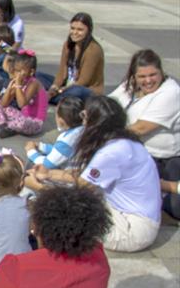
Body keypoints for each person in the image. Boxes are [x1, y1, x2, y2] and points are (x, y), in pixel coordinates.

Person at [28, 96, 161, 252]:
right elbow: (84, 177)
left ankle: (43, 251)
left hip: (131, 231)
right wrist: (49, 174)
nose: (82, 122)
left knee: (54, 207)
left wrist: (37, 186)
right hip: (138, 221)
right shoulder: (124, 142)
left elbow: (79, 193)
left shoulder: (110, 153)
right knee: (60, 190)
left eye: (84, 116)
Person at [110, 49, 180, 220]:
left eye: (153, 75)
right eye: (142, 76)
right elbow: (108, 104)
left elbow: (141, 128)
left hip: (164, 159)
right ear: (134, 76)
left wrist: (104, 134)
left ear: (161, 72)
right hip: (132, 153)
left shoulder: (171, 92)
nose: (148, 81)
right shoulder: (130, 85)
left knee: (175, 209)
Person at [41, 13, 104, 105]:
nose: (75, 32)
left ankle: (43, 97)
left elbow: (83, 81)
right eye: (72, 28)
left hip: (84, 90)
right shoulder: (68, 45)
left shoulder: (93, 50)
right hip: (65, 85)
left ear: (89, 31)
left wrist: (60, 91)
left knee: (76, 92)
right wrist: (54, 88)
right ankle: (50, 97)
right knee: (38, 76)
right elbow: (61, 72)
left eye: (80, 30)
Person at [0, 50, 47, 138]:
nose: (16, 74)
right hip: (21, 116)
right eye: (15, 70)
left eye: (20, 71)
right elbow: (4, 104)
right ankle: (2, 125)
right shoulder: (21, 81)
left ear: (31, 72)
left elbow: (22, 104)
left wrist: (18, 86)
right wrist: (9, 89)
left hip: (34, 122)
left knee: (21, 122)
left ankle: (5, 124)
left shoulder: (34, 84)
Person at [25, 96, 85, 169]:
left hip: (67, 173)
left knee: (31, 165)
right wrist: (41, 146)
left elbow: (46, 165)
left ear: (61, 121)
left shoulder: (66, 141)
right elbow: (60, 152)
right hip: (77, 165)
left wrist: (31, 151)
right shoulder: (82, 129)